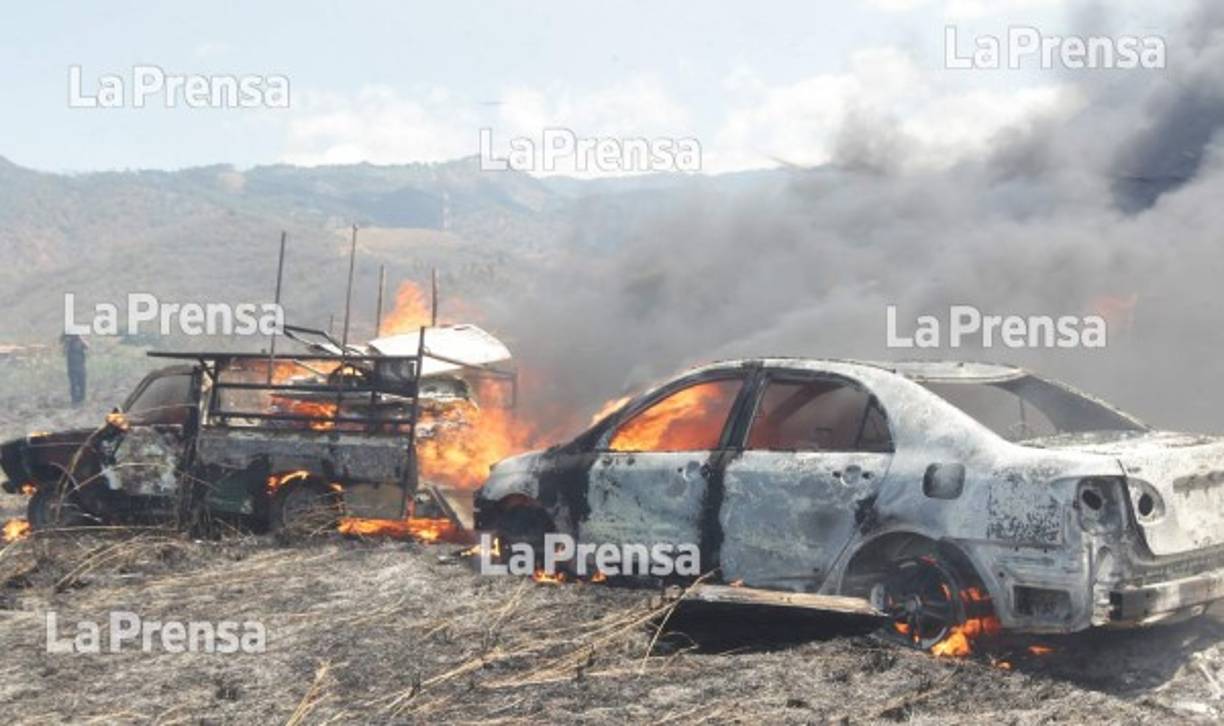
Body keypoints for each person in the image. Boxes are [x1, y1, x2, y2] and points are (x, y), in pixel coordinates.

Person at [60, 333, 89, 405]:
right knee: (74, 385)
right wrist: (67, 341)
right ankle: (74, 401)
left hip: (81, 367)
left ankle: (82, 400)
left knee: (82, 384)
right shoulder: (68, 343)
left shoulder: (80, 342)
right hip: (71, 367)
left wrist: (80, 338)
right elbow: (63, 351)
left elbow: (87, 346)